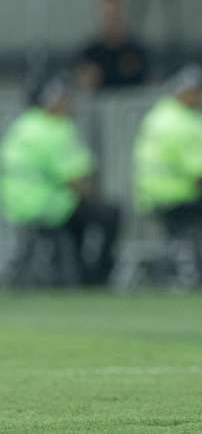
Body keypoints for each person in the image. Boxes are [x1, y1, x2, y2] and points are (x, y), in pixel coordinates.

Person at [0, 76, 119, 286]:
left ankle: (75, 271)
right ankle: (94, 276)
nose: (69, 103)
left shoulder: (21, 126)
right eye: (64, 99)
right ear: (51, 102)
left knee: (82, 214)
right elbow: (74, 179)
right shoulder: (55, 129)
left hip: (16, 206)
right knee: (108, 213)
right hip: (49, 205)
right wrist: (90, 193)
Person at [133, 65, 202, 282]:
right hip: (178, 196)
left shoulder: (160, 115)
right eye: (197, 92)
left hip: (154, 196)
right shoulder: (183, 122)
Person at [75, 0, 149, 90]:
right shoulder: (90, 55)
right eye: (108, 16)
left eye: (116, 16)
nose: (112, 22)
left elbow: (148, 85)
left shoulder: (137, 52)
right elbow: (79, 87)